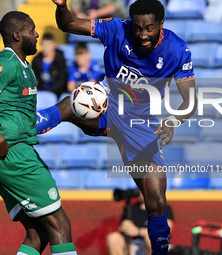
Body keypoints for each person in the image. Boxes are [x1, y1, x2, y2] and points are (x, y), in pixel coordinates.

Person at [37, 0, 197, 254]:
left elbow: (190, 101)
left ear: (161, 25)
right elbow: (67, 23)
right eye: (139, 28)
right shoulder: (116, 29)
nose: (143, 35)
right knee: (72, 102)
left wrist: (174, 119)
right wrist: (62, 5)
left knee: (155, 199)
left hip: (141, 125)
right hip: (107, 105)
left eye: (150, 29)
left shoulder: (177, 50)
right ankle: (22, 129)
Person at [0, 11, 77, 255]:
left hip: (12, 159)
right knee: (60, 225)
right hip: (16, 157)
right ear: (18, 35)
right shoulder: (6, 63)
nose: (36, 34)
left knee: (39, 233)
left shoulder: (24, 66)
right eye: (31, 29)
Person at [107, 190, 174, 255]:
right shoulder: (131, 208)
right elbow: (121, 229)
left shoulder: (163, 208)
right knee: (113, 238)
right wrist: (125, 228)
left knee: (150, 238)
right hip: (134, 244)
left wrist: (138, 231)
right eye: (142, 189)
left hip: (157, 245)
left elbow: (165, 229)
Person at [32, 32, 67, 97]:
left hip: (57, 93)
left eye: (48, 45)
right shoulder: (36, 60)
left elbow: (62, 80)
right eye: (43, 45)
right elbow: (33, 78)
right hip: (40, 92)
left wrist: (48, 92)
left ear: (54, 45)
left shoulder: (60, 59)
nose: (45, 48)